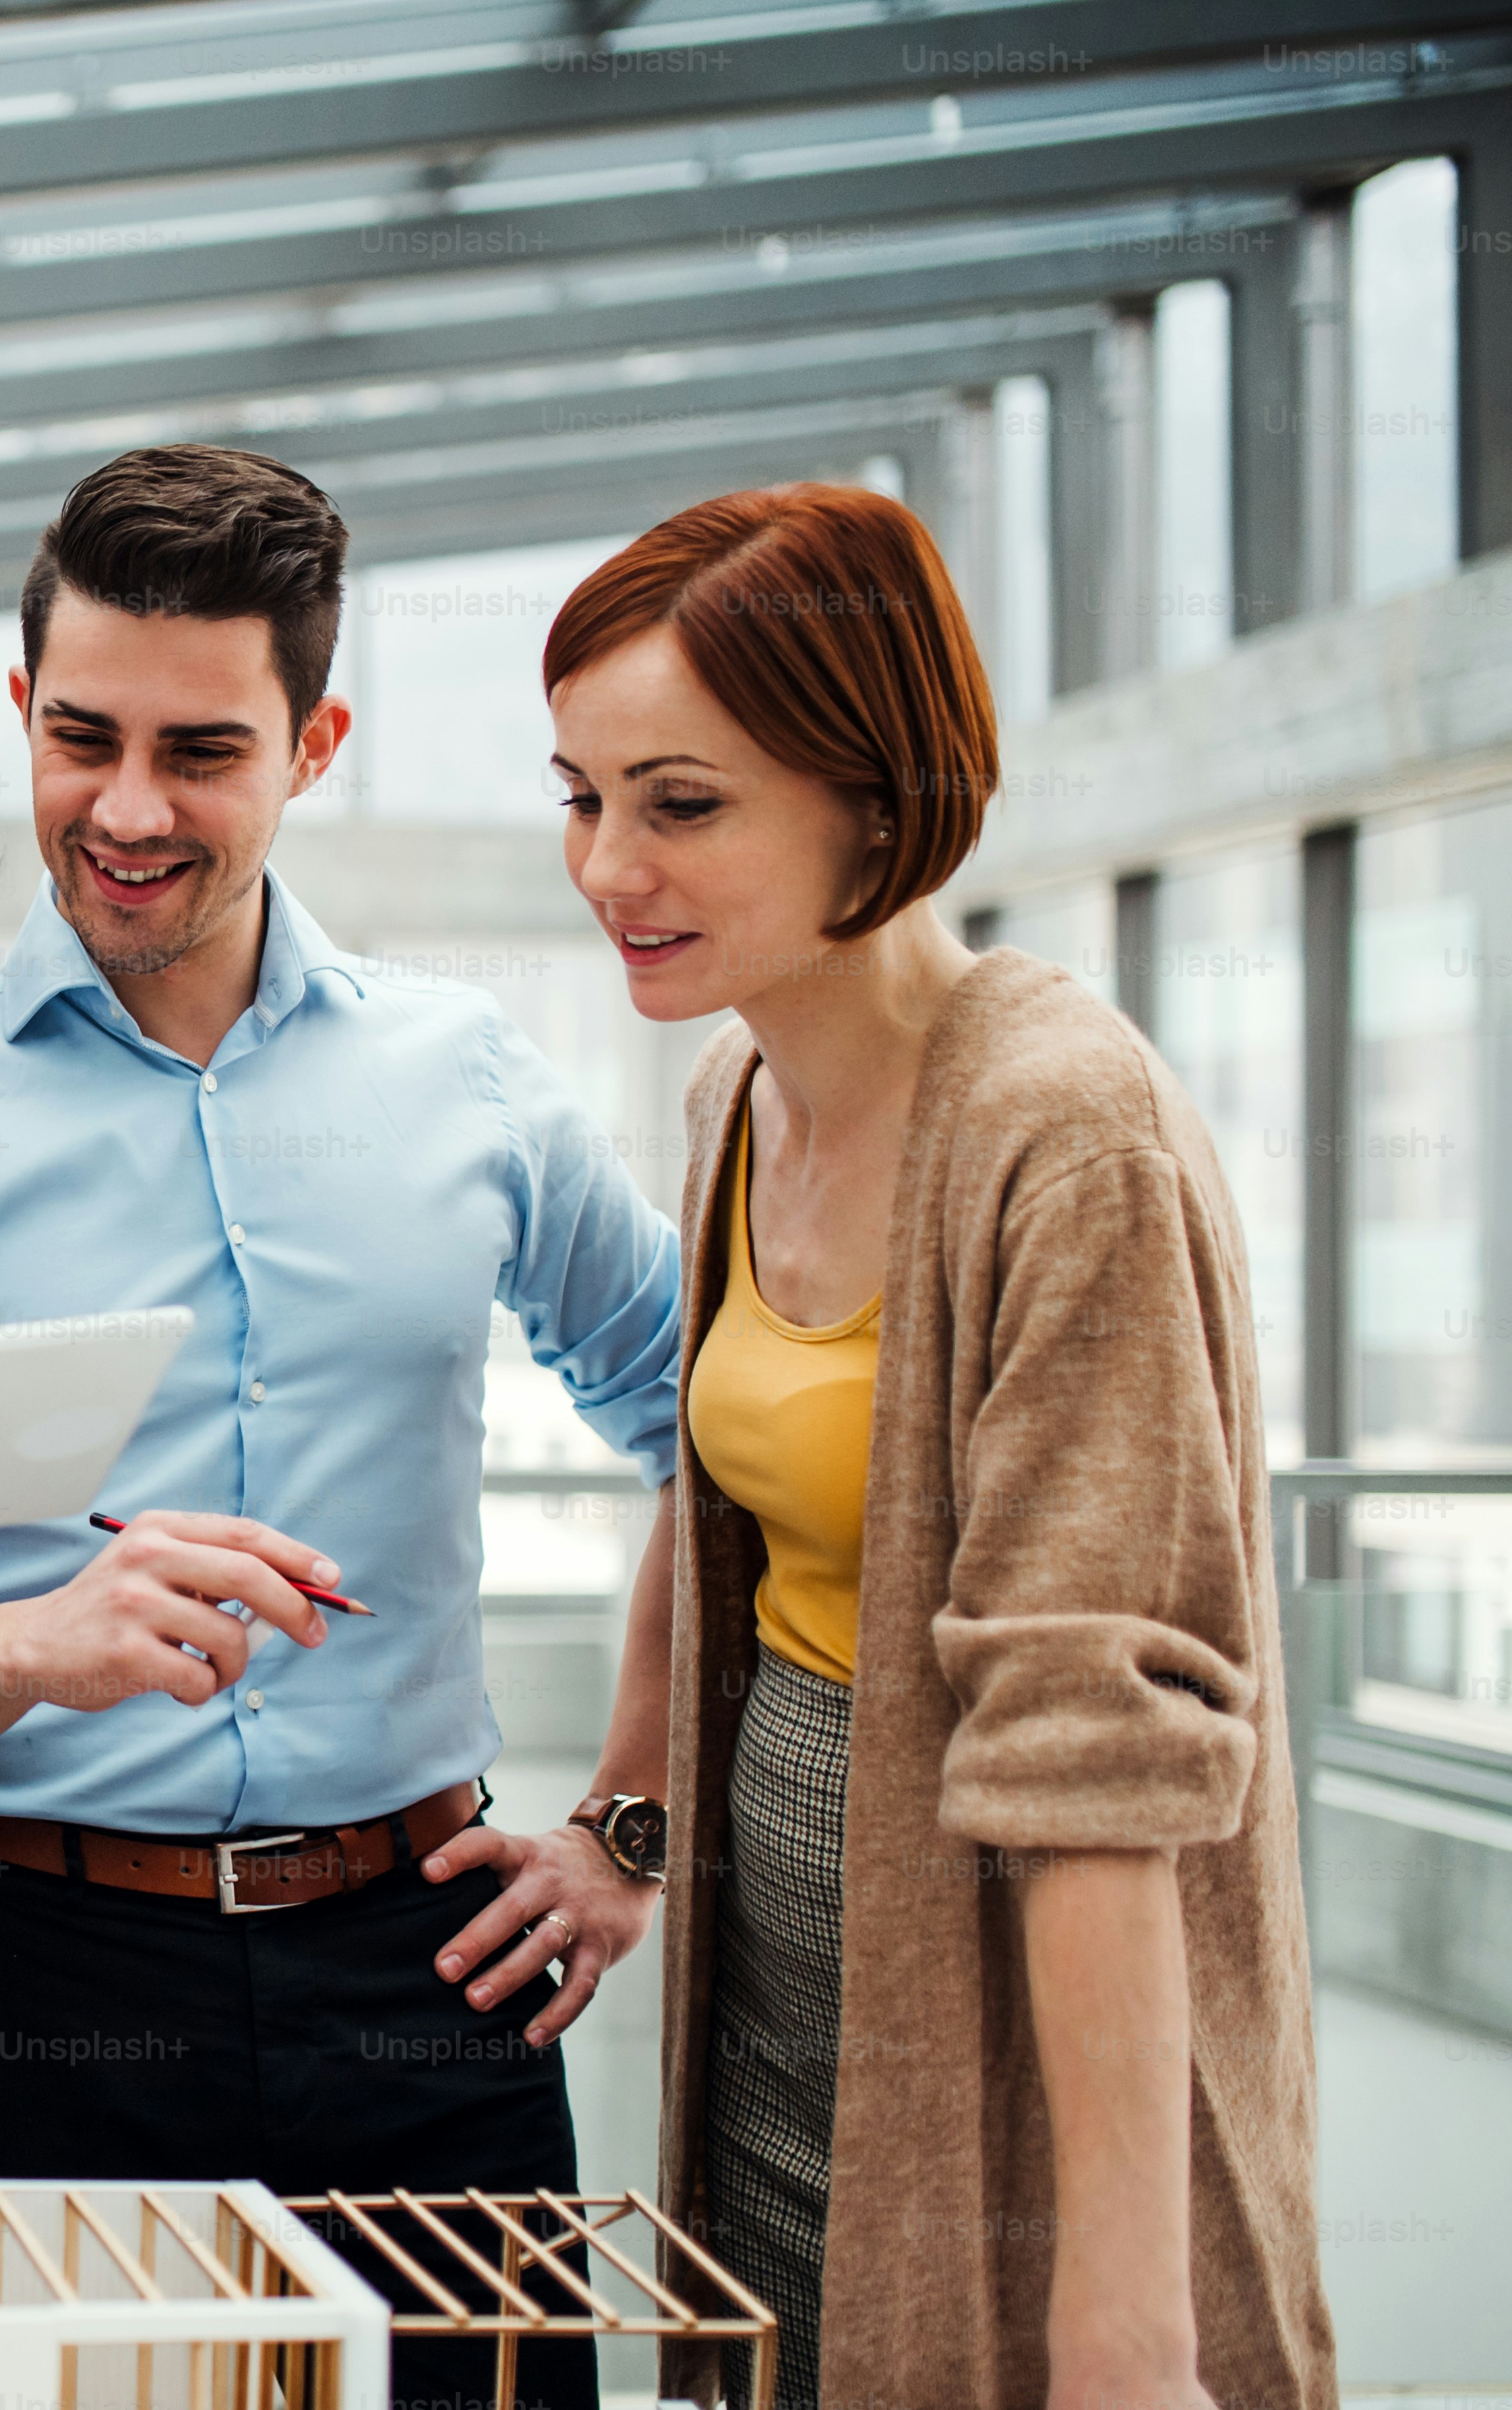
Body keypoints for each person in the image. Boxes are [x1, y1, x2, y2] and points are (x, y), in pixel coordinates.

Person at [0, 442, 688, 2410]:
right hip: (45, 1988)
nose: (131, 808)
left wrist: (629, 1822)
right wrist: (29, 1650)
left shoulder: (472, 1081)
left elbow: (714, 1426)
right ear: (20, 711)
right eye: (82, 737)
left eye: (204, 750)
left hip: (436, 1982)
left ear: (315, 741)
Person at [543, 484, 1335, 2410]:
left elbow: (1097, 1767)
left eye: (683, 802)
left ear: (878, 805)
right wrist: (627, 1819)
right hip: (777, 1995)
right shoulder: (743, 1084)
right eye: (580, 795)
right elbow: (712, 1485)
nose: (609, 867)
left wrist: (1127, 2348)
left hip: (1002, 2018)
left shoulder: (1066, 1138)